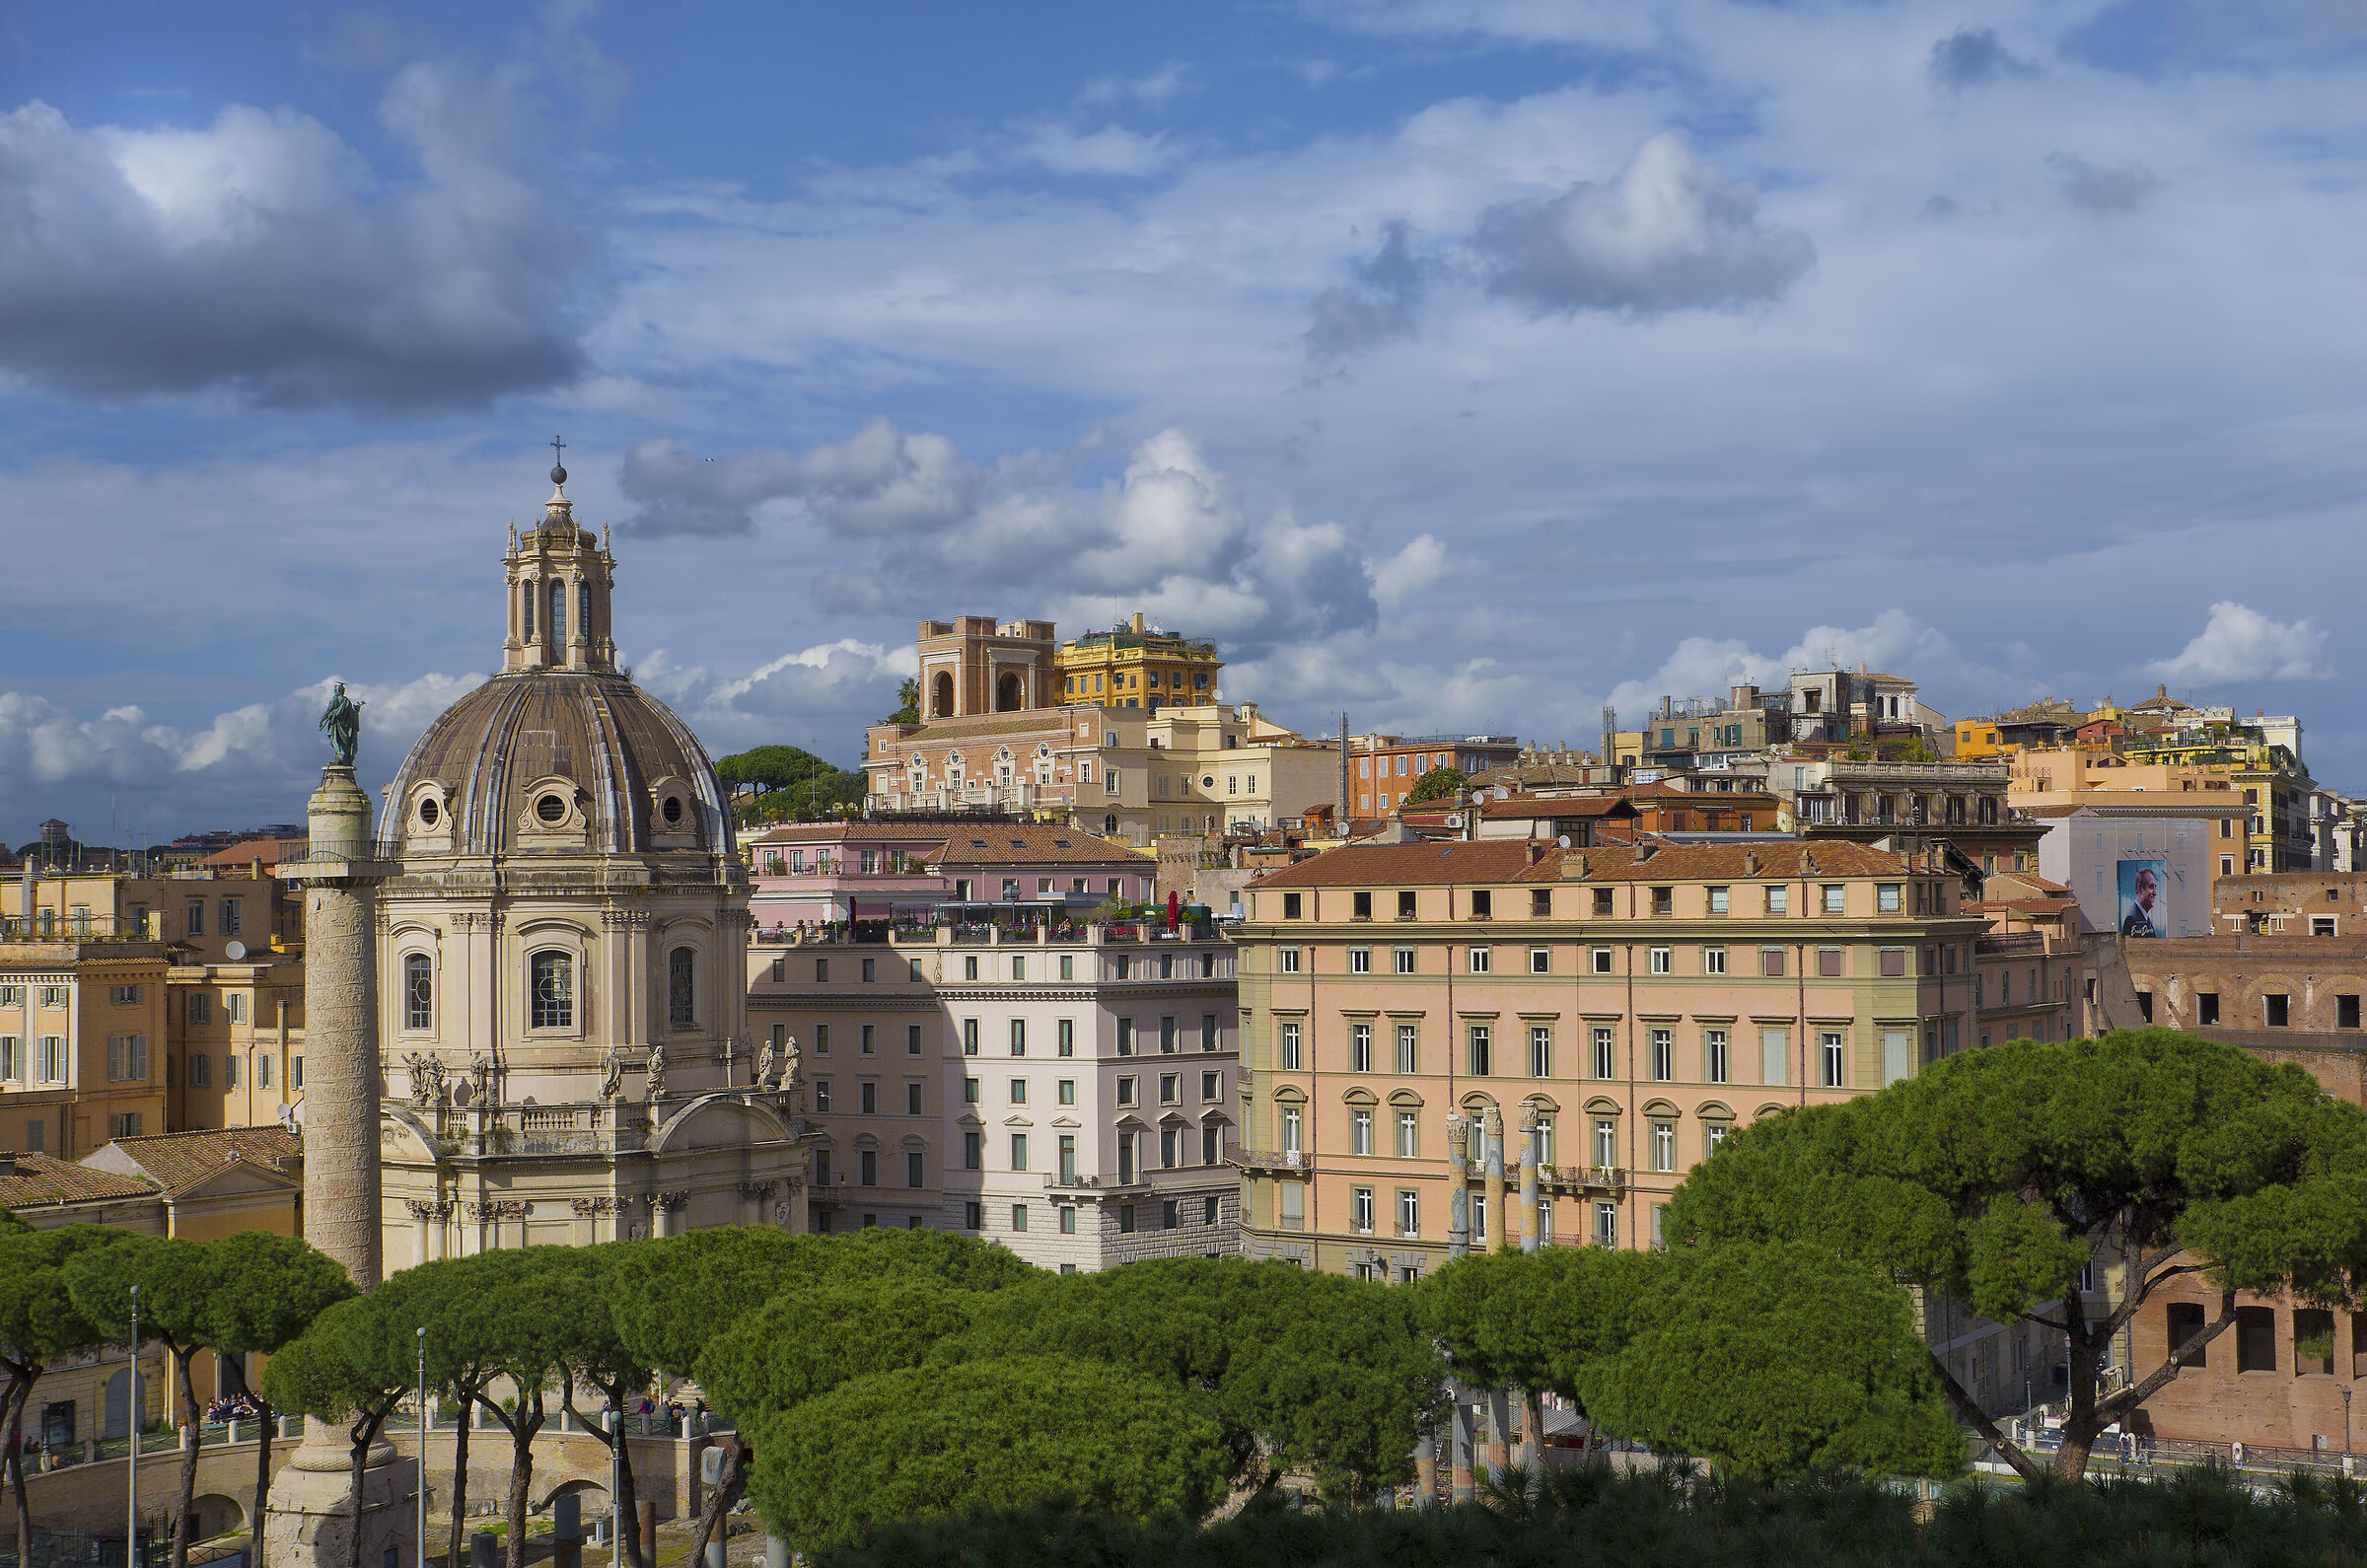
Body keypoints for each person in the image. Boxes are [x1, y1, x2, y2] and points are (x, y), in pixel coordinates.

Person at [2120, 866, 2165, 939]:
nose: (2155, 893)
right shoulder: (2131, 919)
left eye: (2155, 888)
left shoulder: (2146, 920)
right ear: (2140, 888)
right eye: (2151, 887)